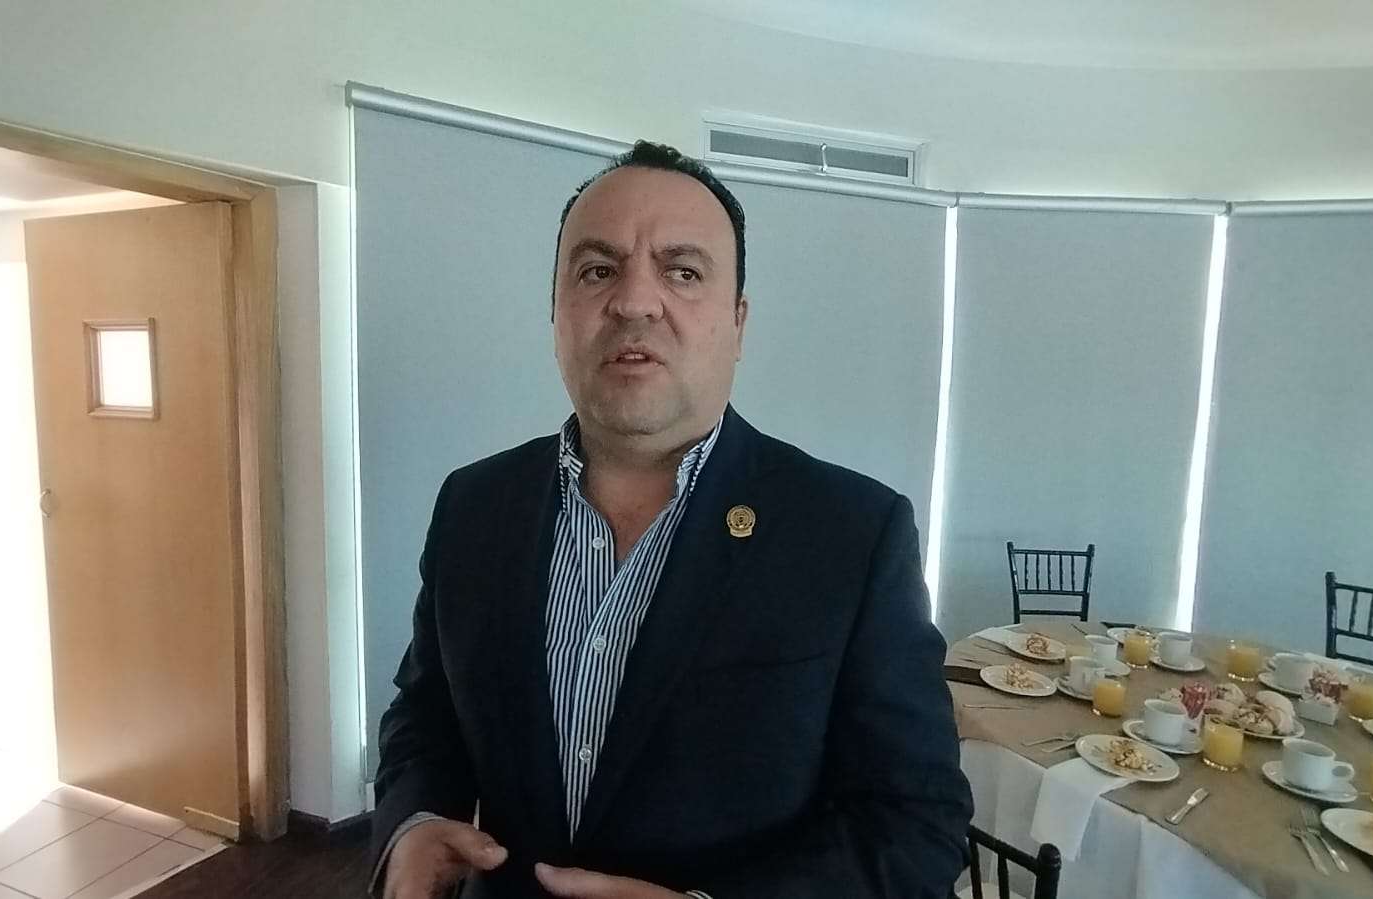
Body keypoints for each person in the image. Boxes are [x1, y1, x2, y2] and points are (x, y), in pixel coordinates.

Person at [370, 140, 971, 899]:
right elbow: (426, 716)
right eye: (598, 270)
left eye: (682, 272)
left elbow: (916, 821)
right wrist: (414, 823)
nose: (634, 302)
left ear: (737, 323)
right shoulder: (474, 505)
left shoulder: (852, 534)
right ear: (556, 312)